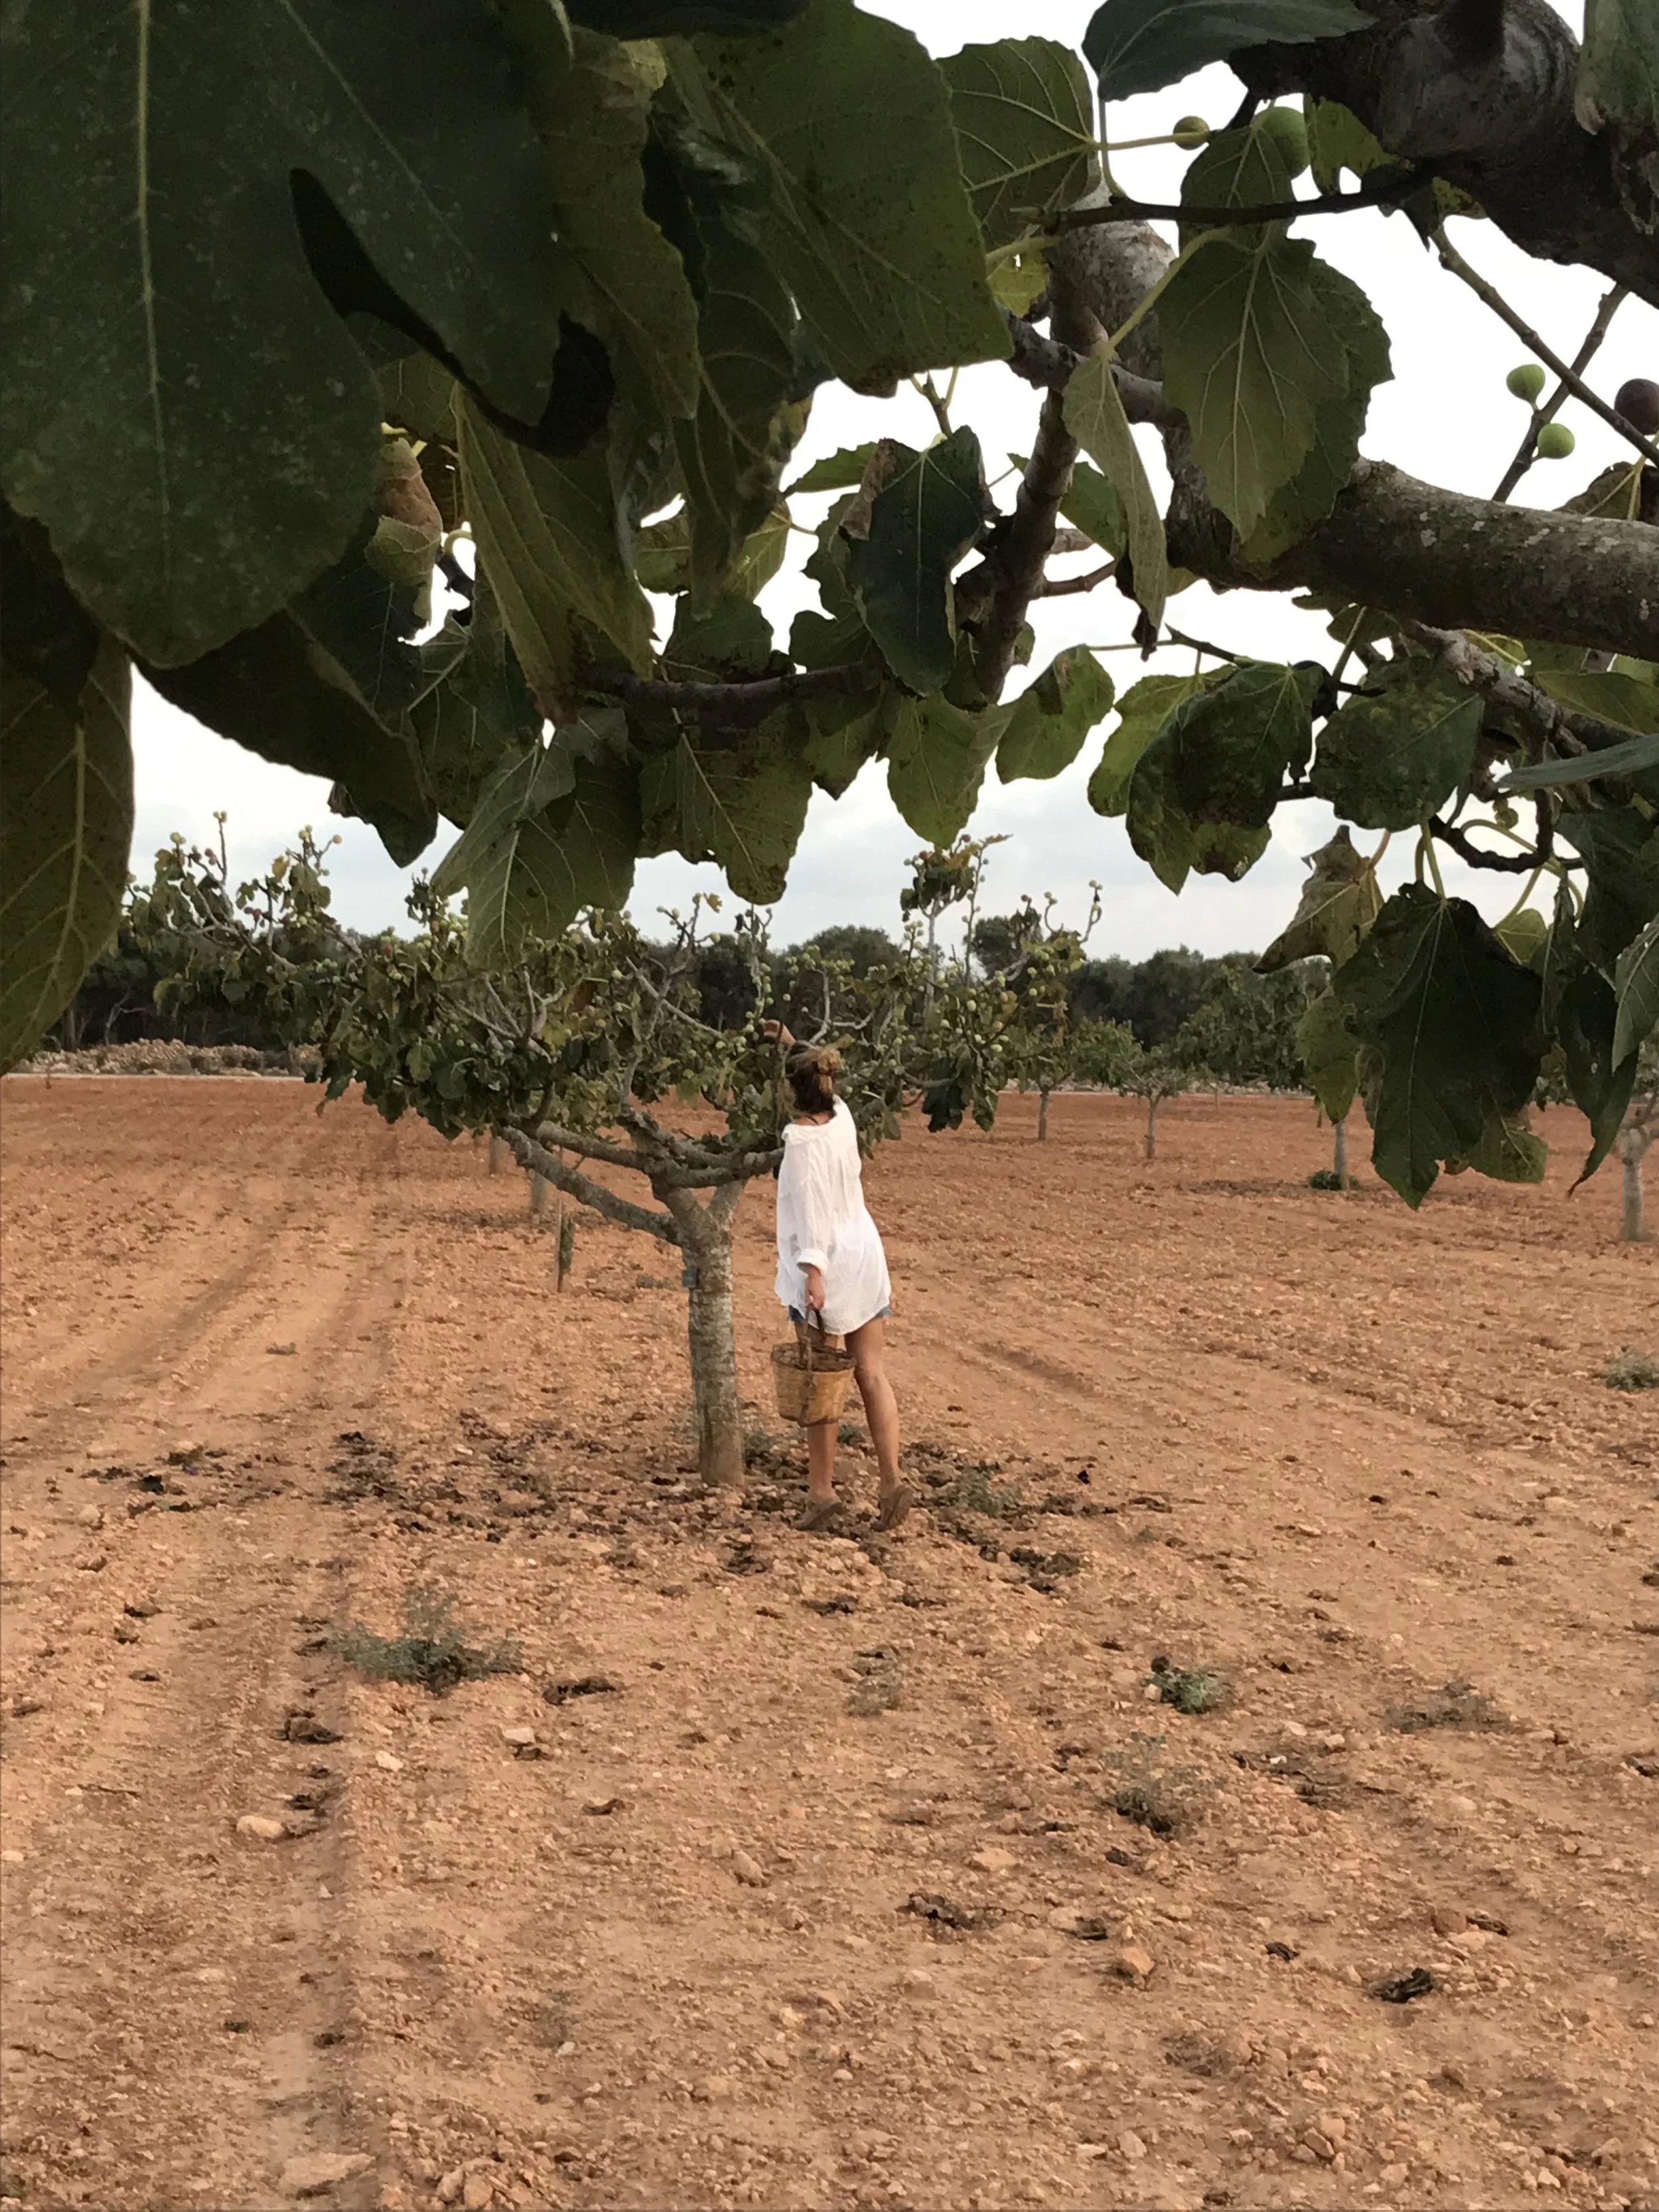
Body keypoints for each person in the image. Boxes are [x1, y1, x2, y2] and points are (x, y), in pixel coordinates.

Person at [763, 1025, 910, 1533]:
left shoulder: (801, 1142)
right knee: (870, 1371)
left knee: (820, 1384)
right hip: (865, 1254)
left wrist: (813, 1276)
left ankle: (822, 1494)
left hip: (826, 1263)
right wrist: (792, 1041)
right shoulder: (843, 1116)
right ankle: (890, 1480)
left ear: (790, 1090)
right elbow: (815, 1070)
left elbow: (810, 1215)